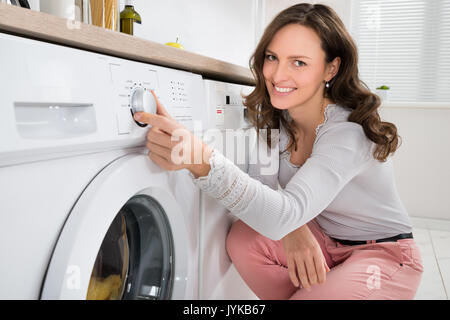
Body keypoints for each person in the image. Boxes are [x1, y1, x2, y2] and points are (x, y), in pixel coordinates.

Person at [133, 3, 423, 299]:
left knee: (273, 224)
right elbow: (264, 184)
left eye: (299, 62)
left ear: (331, 68)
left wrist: (200, 160)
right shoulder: (278, 117)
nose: (278, 75)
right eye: (272, 57)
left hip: (382, 254)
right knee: (244, 239)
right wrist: (293, 228)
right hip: (324, 238)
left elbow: (280, 210)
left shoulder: (348, 134)